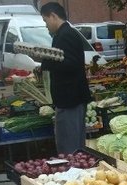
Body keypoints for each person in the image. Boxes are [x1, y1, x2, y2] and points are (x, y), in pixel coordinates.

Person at [40, 2, 91, 154]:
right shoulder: (63, 34)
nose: (46, 25)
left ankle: (74, 173)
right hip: (68, 99)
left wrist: (47, 63)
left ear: (53, 16)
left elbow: (71, 64)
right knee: (69, 144)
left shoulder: (66, 35)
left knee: (71, 146)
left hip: (71, 100)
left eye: (45, 20)